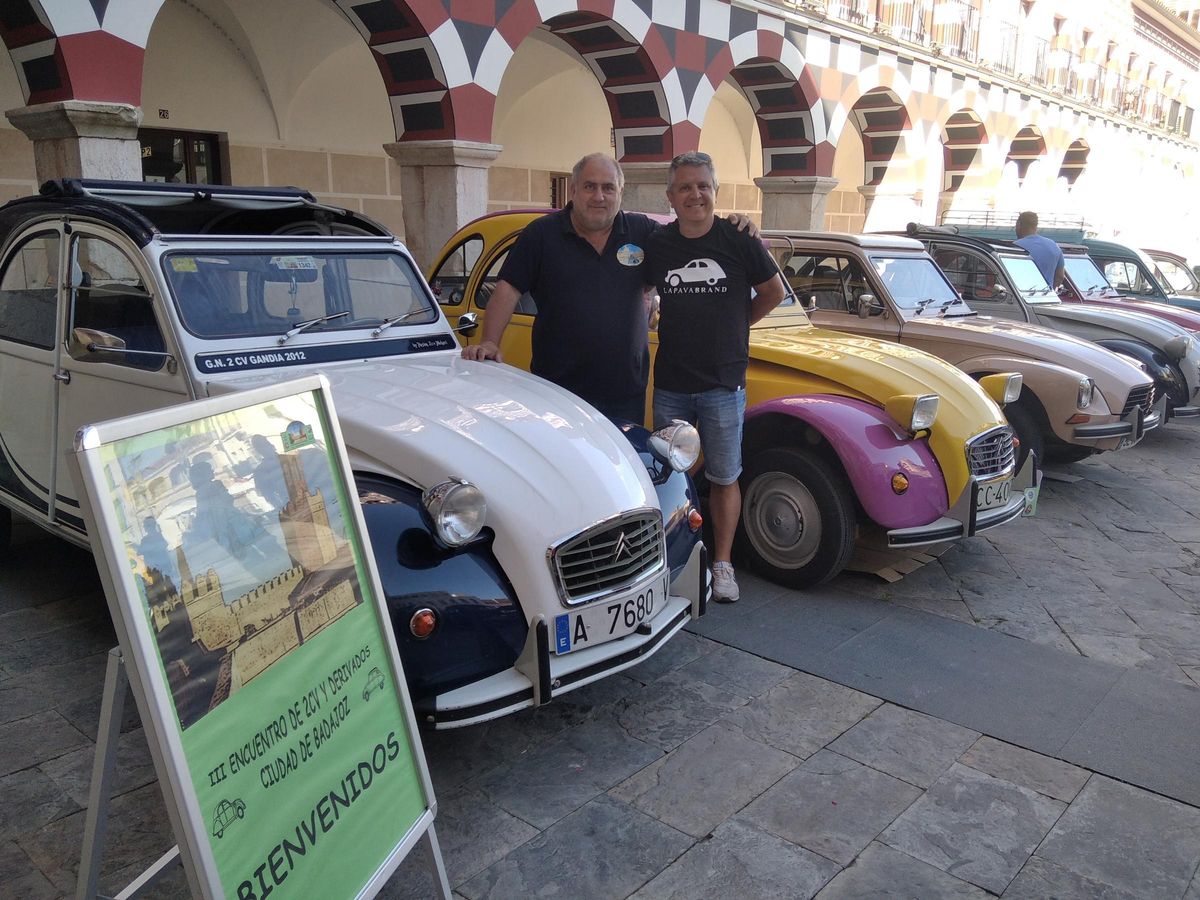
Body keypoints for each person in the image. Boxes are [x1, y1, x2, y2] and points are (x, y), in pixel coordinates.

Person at [461, 152, 756, 424]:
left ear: (620, 193)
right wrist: (490, 341)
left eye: (608, 188)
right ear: (573, 190)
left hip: (625, 391)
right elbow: (508, 289)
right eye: (590, 187)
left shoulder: (644, 232)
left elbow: (692, 241)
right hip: (557, 389)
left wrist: (732, 226)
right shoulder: (542, 234)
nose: (599, 196)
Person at [645, 151, 786, 603]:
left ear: (715, 191)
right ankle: (671, 557)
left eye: (703, 185)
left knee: (725, 475)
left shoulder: (739, 238)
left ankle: (722, 565)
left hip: (725, 383)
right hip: (671, 382)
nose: (695, 194)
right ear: (671, 196)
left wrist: (737, 322)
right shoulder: (661, 245)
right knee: (669, 474)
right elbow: (641, 289)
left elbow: (773, 291)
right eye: (685, 187)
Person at [1014, 210, 1065, 289]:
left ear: (1019, 225)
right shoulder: (1054, 246)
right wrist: (1051, 291)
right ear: (1035, 226)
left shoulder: (1016, 247)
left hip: (1022, 297)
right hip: (1046, 296)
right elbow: (1060, 276)